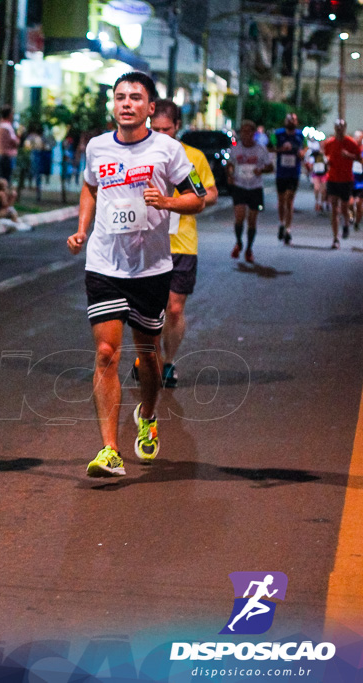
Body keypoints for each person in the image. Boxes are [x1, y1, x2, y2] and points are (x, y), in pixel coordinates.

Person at [66, 72, 206, 478]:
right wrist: (82, 228)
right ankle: (109, 449)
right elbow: (90, 187)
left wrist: (166, 201)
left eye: (135, 98)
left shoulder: (169, 149)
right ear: (113, 104)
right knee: (107, 353)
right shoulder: (97, 147)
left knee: (148, 356)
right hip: (104, 264)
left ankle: (147, 414)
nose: (126, 103)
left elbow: (197, 197)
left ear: (149, 107)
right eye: (120, 97)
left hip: (151, 268)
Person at [131, 99, 218, 389]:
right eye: (155, 128)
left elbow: (206, 193)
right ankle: (147, 356)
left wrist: (182, 198)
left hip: (181, 244)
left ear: (177, 127)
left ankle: (167, 362)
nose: (161, 134)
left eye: (166, 129)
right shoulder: (139, 153)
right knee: (146, 308)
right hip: (144, 240)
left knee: (175, 309)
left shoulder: (190, 157)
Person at [227, 120, 272, 263]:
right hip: (240, 186)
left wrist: (261, 170)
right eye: (243, 131)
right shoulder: (235, 148)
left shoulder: (261, 149)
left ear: (254, 133)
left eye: (248, 131)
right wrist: (229, 175)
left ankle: (249, 249)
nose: (245, 134)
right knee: (239, 217)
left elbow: (270, 167)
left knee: (252, 221)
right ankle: (239, 242)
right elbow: (229, 165)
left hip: (255, 187)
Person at [323, 119, 363, 248]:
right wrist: (326, 162)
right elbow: (325, 158)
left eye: (341, 127)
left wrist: (349, 155)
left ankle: (346, 224)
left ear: (345, 128)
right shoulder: (329, 143)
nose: (339, 129)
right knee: (334, 208)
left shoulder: (351, 142)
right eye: (337, 127)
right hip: (333, 179)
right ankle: (335, 238)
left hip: (346, 179)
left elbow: (359, 158)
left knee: (345, 207)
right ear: (334, 128)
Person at [273, 113, 305, 245]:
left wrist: (301, 153)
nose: (291, 121)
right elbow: (271, 148)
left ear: (296, 122)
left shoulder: (300, 135)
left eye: (293, 119)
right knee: (281, 201)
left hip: (294, 173)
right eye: (288, 119)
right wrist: (282, 149)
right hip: (281, 172)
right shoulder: (278, 134)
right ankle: (281, 223)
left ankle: (288, 230)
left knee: (289, 200)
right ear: (285, 121)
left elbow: (305, 149)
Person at [0, 105, 20, 182]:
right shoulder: (7, 127)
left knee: (2, 177)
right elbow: (15, 142)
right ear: (10, 114)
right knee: (6, 179)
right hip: (7, 156)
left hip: (1, 154)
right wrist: (19, 136)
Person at [309, 149, 329, 214]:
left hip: (323, 174)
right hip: (316, 174)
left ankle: (321, 204)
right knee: (316, 189)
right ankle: (317, 202)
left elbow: (327, 164)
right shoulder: (313, 156)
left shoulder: (324, 157)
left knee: (323, 190)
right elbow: (311, 165)